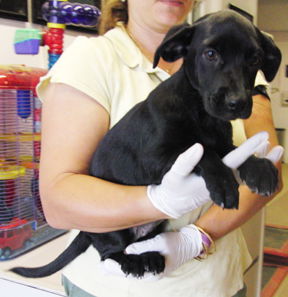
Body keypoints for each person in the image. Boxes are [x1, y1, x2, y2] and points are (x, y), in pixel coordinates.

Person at [37, 1, 283, 297]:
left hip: (216, 283)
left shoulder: (242, 63)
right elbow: (58, 202)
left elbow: (267, 178)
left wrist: (196, 239)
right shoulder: (91, 58)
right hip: (116, 286)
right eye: (211, 55)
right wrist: (158, 201)